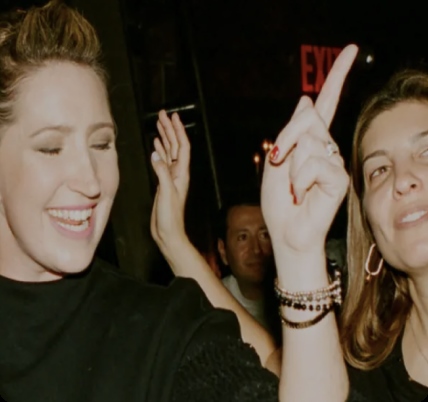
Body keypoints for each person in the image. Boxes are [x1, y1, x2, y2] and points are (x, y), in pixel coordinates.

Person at [0, 2, 281, 401]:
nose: (91, 180)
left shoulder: (161, 331)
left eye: (101, 143)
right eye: (51, 148)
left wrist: (301, 261)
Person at [261, 44, 428, 401]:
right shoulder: (364, 358)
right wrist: (297, 253)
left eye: (426, 152)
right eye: (379, 170)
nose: (402, 179)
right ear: (368, 222)